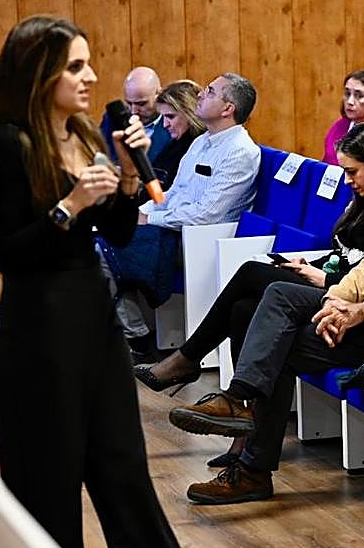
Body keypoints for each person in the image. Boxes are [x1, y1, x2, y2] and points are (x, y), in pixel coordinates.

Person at [0, 16, 217, 548]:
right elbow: (10, 252)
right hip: (36, 337)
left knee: (129, 493)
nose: (90, 77)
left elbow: (116, 221)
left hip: (94, 325)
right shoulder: (7, 145)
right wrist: (70, 205)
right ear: (40, 73)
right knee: (47, 505)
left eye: (89, 64)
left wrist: (128, 182)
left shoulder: (83, 133)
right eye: (75, 66)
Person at [170, 118, 364, 504]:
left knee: (279, 342)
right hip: (363, 312)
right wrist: (338, 301)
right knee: (276, 293)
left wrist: (361, 310)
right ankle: (241, 417)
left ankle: (247, 446)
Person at [101, 72, 261, 359]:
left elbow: (207, 216)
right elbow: (171, 195)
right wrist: (135, 213)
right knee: (103, 234)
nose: (201, 94)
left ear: (228, 109)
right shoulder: (201, 142)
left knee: (100, 249)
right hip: (175, 230)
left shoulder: (240, 151)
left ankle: (135, 337)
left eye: (210, 91)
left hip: (202, 241)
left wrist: (150, 220)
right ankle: (123, 333)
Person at [101, 65, 172, 161]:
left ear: (159, 94)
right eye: (129, 103)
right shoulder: (112, 120)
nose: (133, 111)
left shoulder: (172, 124)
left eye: (141, 104)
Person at [152, 79, 204, 192]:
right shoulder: (174, 144)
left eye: (170, 117)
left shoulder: (200, 148)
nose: (165, 125)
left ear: (190, 113)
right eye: (163, 117)